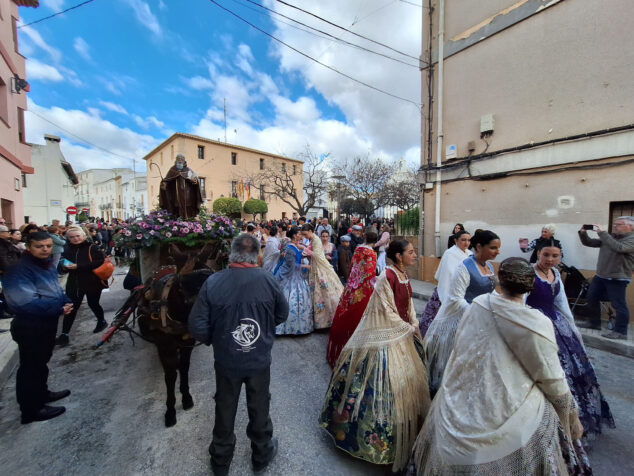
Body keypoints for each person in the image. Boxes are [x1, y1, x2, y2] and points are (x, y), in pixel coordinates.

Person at [411, 258, 590, 476]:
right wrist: (569, 413)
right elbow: (551, 377)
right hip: (512, 407)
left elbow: (461, 350)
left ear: (500, 280)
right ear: (530, 285)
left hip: (460, 399)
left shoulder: (478, 305)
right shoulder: (535, 322)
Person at [319, 240, 429, 473]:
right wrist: (406, 327)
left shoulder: (403, 275)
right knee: (381, 388)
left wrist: (414, 321)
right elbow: (384, 311)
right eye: (411, 252)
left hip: (403, 334)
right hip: (387, 338)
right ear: (398, 256)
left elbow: (407, 303)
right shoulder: (386, 277)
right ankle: (377, 444)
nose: (415, 255)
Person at [188, 233, 288, 476]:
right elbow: (282, 314)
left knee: (225, 404)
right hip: (258, 358)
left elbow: (197, 325)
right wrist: (263, 330)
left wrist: (218, 340)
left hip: (227, 359)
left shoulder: (213, 282)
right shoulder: (268, 280)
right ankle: (261, 454)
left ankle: (221, 460)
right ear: (257, 255)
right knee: (260, 404)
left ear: (231, 253)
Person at [526, 241, 614, 440]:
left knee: (574, 371)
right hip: (534, 325)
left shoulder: (556, 274)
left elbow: (562, 303)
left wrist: (572, 329)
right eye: (546, 255)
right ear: (538, 254)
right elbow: (520, 302)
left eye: (555, 256)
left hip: (557, 324)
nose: (550, 259)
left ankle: (574, 419)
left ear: (560, 257)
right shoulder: (528, 273)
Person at [4, 232, 73, 424]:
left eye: (48, 246)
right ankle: (31, 410)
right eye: (39, 246)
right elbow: (23, 303)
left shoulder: (46, 264)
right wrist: (58, 308)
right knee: (30, 367)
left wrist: (65, 301)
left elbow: (55, 289)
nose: (45, 249)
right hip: (30, 325)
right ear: (28, 247)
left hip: (46, 322)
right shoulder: (18, 270)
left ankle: (42, 394)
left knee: (41, 363)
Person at [424, 229, 500, 395]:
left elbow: (490, 290)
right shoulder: (464, 267)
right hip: (463, 320)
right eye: (493, 248)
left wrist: (500, 304)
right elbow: (456, 298)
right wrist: (479, 311)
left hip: (482, 319)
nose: (497, 252)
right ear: (479, 247)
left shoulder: (487, 265)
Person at [326, 228, 378, 367]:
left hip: (351, 286)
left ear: (365, 237)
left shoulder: (358, 249)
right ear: (376, 240)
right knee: (361, 315)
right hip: (363, 288)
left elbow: (354, 266)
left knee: (347, 310)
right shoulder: (371, 253)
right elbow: (369, 273)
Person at [576, 217, 634, 339]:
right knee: (591, 297)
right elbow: (589, 243)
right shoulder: (610, 237)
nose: (615, 226)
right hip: (601, 275)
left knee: (618, 304)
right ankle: (594, 323)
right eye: (615, 224)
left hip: (617, 278)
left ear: (630, 227)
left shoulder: (631, 239)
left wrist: (602, 233)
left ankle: (621, 332)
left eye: (619, 224)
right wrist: (583, 233)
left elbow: (620, 248)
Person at [56, 226, 108, 346]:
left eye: (78, 236)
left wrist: (78, 266)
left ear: (83, 236)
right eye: (72, 237)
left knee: (93, 303)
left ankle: (101, 321)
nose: (75, 239)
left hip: (92, 281)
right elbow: (62, 266)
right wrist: (64, 267)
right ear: (68, 238)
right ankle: (65, 334)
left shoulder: (92, 247)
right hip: (74, 283)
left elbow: (100, 262)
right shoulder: (67, 249)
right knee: (72, 307)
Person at [419, 230, 472, 337]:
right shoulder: (450, 253)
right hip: (447, 291)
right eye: (463, 240)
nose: (466, 243)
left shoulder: (470, 254)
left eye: (468, 240)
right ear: (456, 240)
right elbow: (449, 275)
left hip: (463, 292)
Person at [301, 224, 344, 329]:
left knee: (325, 291)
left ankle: (329, 319)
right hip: (315, 267)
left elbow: (317, 255)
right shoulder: (313, 239)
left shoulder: (316, 240)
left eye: (305, 234)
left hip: (320, 267)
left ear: (311, 231)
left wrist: (304, 249)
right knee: (318, 291)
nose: (305, 236)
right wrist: (305, 250)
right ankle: (321, 321)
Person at [273, 227, 313, 335]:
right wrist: (305, 265)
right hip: (290, 277)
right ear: (295, 235)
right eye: (299, 234)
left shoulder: (294, 245)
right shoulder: (290, 248)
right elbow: (291, 265)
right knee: (291, 299)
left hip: (297, 276)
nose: (301, 236)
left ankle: (297, 327)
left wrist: (302, 248)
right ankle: (286, 327)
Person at [158, 153, 203, 219]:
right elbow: (167, 179)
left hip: (187, 195)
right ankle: (177, 222)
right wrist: (164, 184)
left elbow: (194, 179)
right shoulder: (172, 170)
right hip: (176, 195)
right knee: (176, 208)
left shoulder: (188, 170)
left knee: (188, 208)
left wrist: (195, 181)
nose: (180, 160)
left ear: (184, 161)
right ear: (176, 160)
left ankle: (189, 221)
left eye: (181, 159)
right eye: (178, 159)